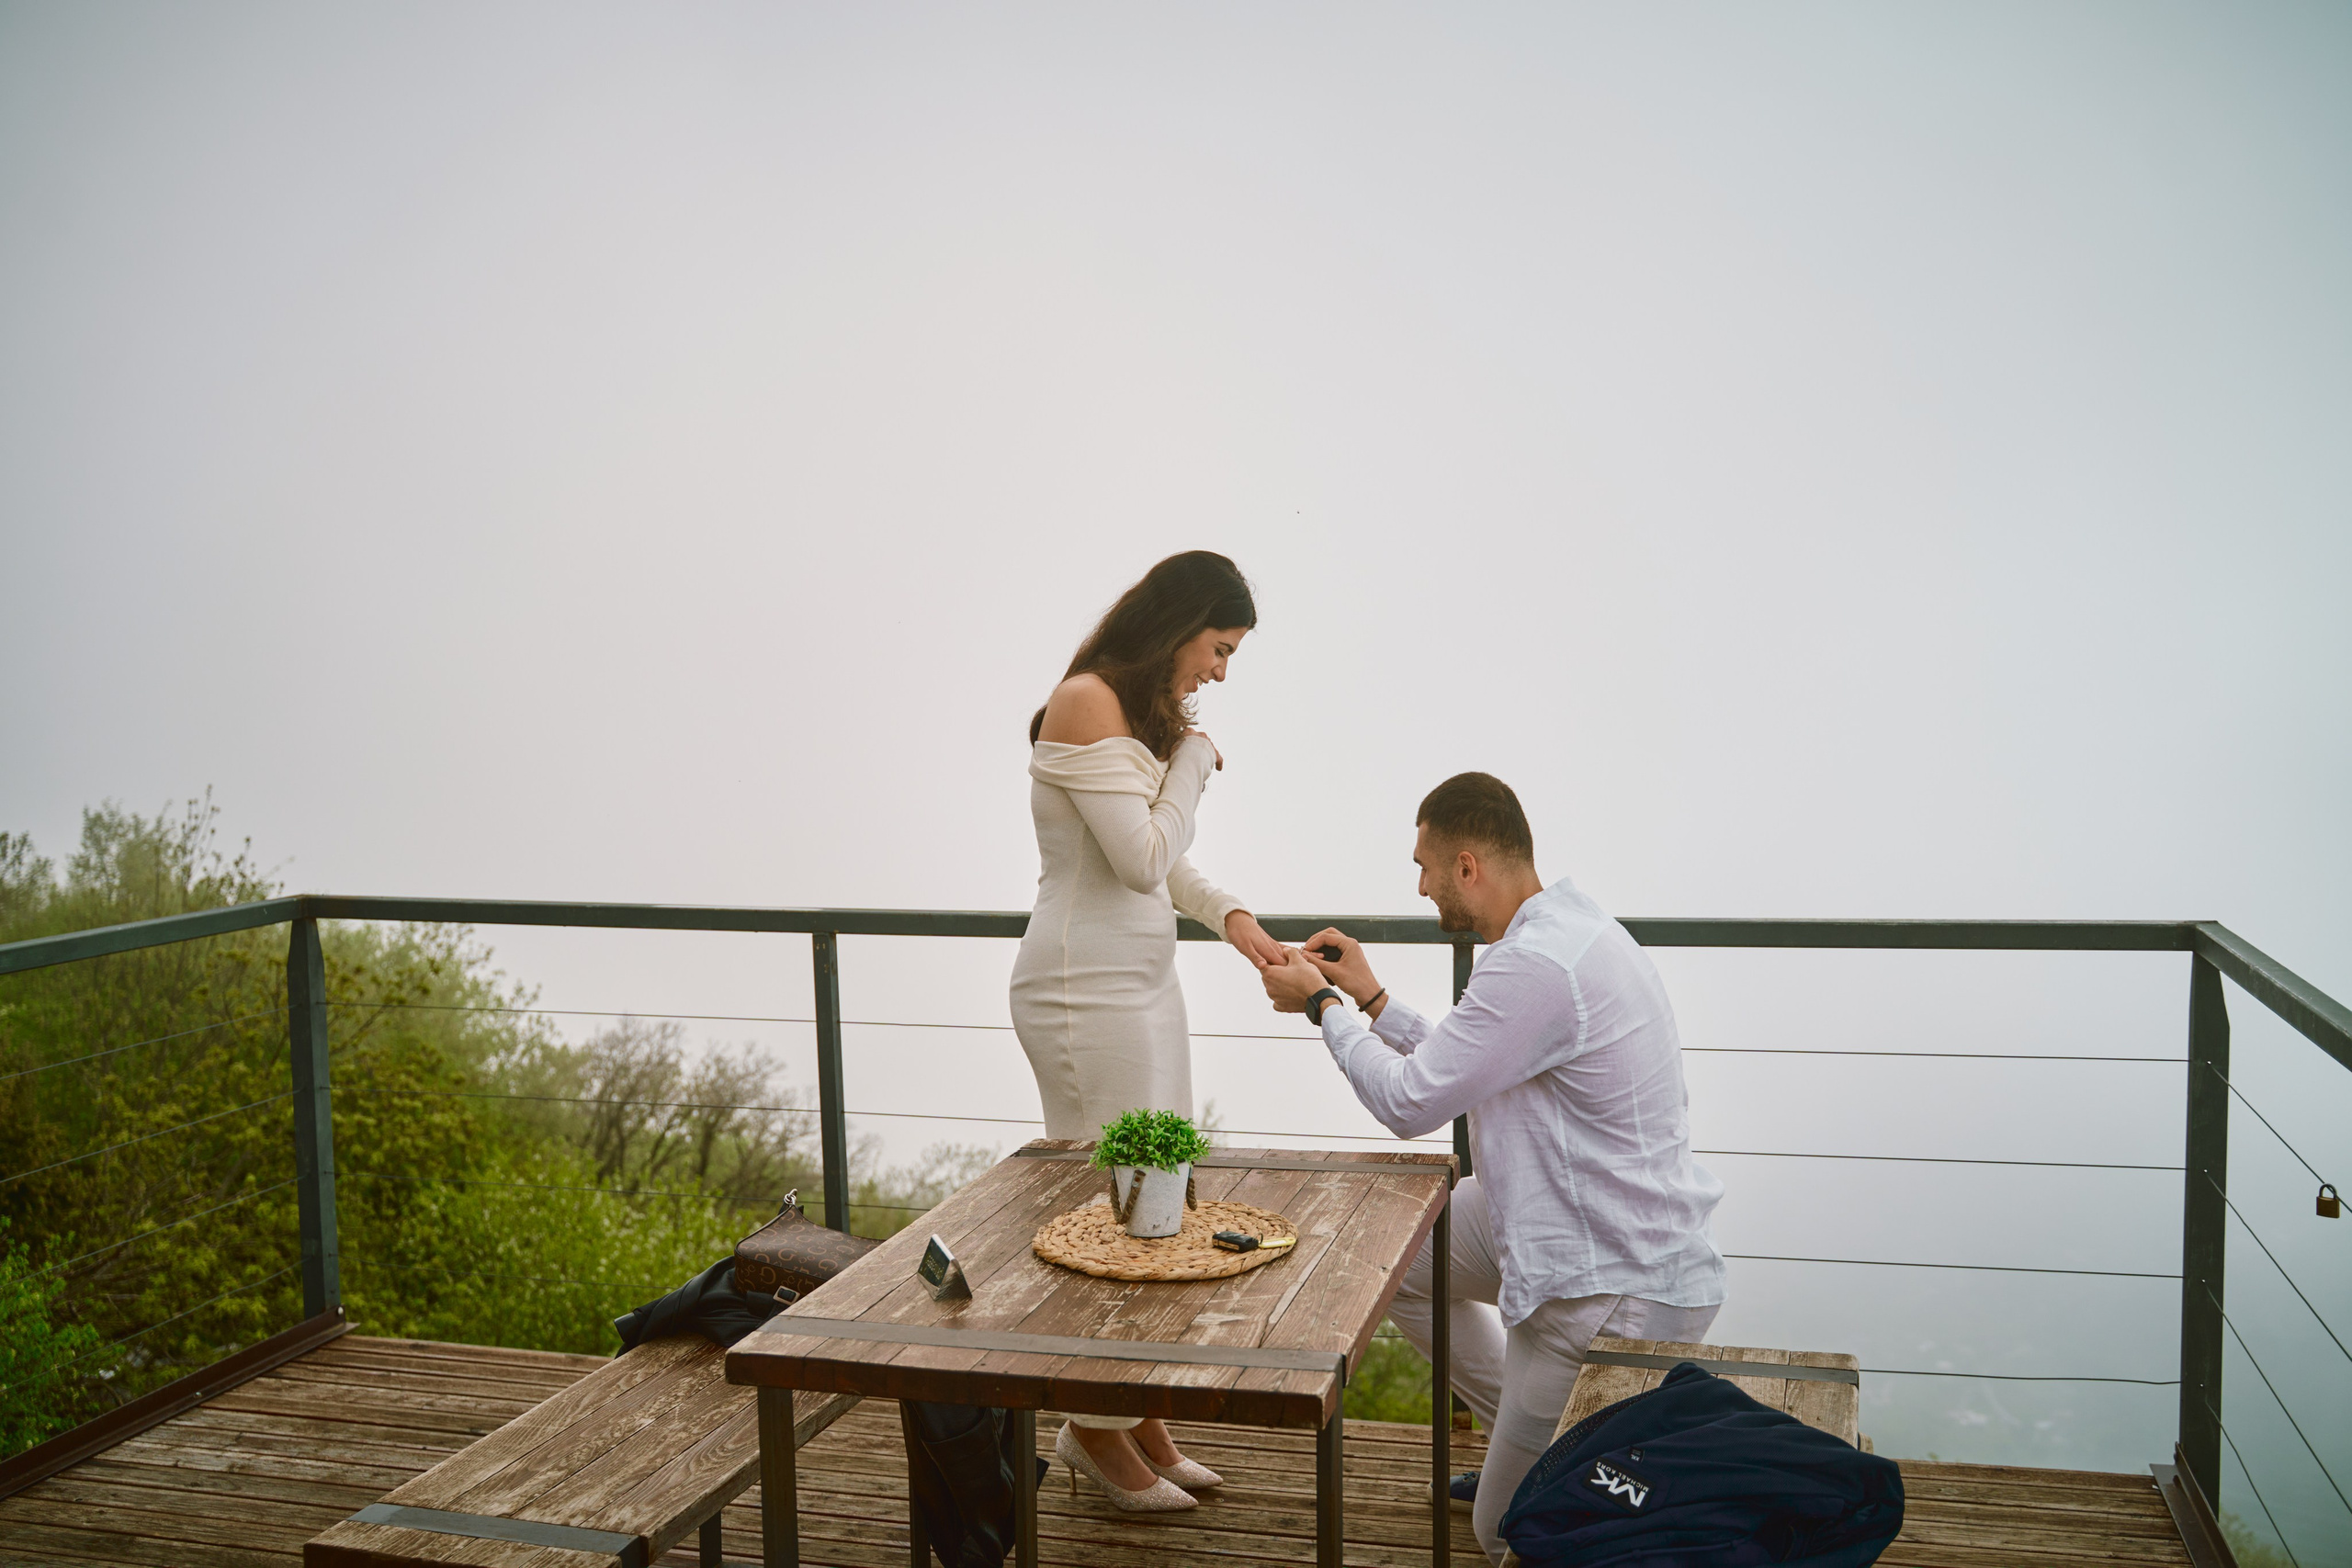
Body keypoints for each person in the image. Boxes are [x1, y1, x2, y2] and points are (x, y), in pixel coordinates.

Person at [1260, 772, 1726, 1564]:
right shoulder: (1565, 933)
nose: (1420, 884)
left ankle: (1579, 1483)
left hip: (1607, 1282)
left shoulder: (1535, 964)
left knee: (1505, 1533)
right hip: (1574, 1218)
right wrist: (1369, 997)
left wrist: (1322, 1009)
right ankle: (1532, 1437)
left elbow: (1412, 1102)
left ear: (1467, 864)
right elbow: (1468, 1058)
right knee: (1398, 1254)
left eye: (1426, 866)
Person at [1012, 549, 1288, 1513]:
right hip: (1083, 992)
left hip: (1140, 984)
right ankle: (1093, 1431)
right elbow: (1138, 858)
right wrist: (1196, 766)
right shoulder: (1084, 700)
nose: (1219, 672)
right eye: (1218, 647)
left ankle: (1137, 1414)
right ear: (1177, 624)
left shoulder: (1136, 720)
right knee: (1118, 1211)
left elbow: (1163, 868)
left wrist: (1238, 921)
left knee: (1160, 1198)